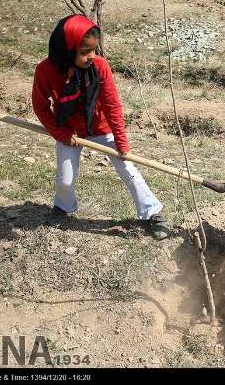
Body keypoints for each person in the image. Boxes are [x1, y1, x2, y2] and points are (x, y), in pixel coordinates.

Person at [32, 14, 170, 240]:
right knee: (65, 179)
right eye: (84, 52)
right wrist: (62, 133)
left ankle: (152, 212)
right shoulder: (46, 71)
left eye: (94, 50)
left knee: (129, 170)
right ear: (67, 50)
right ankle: (63, 207)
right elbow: (40, 107)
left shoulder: (100, 66)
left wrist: (122, 144)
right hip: (70, 131)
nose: (91, 57)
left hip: (102, 128)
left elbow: (112, 105)